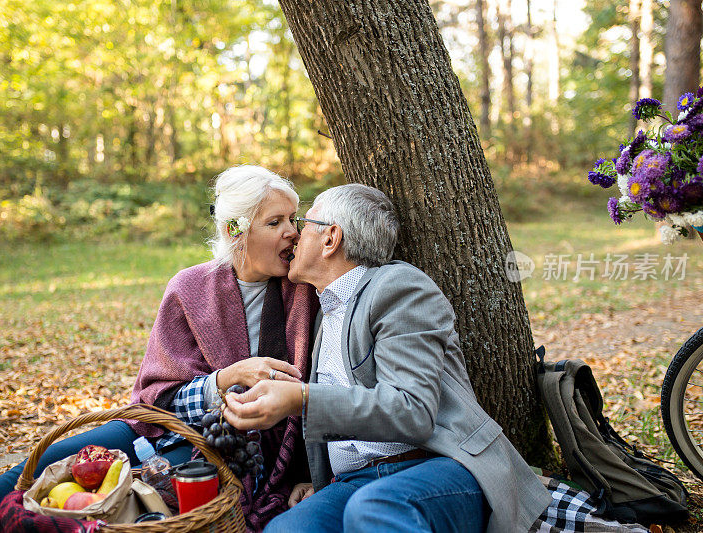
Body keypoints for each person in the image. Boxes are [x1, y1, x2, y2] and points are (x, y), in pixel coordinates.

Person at [0, 166, 319, 533]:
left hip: (218, 449)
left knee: (142, 500)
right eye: (275, 222)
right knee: (46, 465)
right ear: (236, 230)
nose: (293, 232)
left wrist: (308, 474)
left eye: (292, 219)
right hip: (149, 427)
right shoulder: (190, 289)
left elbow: (320, 395)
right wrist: (224, 380)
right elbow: (155, 398)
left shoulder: (303, 291)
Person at [223, 183, 552, 532]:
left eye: (304, 225)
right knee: (285, 530)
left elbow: (412, 409)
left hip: (434, 466)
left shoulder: (399, 288)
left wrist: (302, 399)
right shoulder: (321, 311)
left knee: (374, 509)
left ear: (331, 239)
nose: (294, 236)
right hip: (354, 482)